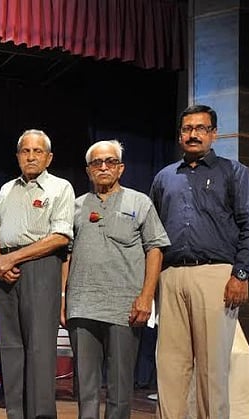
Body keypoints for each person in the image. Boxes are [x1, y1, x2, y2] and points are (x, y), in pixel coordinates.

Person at [150, 105, 249, 418]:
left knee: (211, 372)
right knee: (170, 369)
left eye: (201, 128)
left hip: (217, 276)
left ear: (213, 133)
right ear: (179, 135)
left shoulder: (234, 173)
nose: (193, 134)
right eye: (187, 128)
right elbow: (154, 237)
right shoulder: (164, 178)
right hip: (171, 277)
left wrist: (241, 274)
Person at [61, 140, 169, 419]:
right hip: (81, 305)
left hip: (125, 307)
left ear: (120, 168)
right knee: (85, 386)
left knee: (121, 387)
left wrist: (147, 297)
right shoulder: (75, 206)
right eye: (97, 163)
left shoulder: (140, 202)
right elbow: (66, 255)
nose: (104, 167)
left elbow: (154, 249)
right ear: (88, 170)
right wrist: (63, 299)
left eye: (110, 162)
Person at [0, 129, 75, 419]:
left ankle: (40, 416)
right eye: (25, 151)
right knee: (11, 348)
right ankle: (15, 414)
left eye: (37, 151)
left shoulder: (60, 187)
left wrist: (12, 257)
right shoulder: (6, 189)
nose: (30, 156)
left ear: (49, 157)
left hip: (42, 267)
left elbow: (61, 236)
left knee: (40, 350)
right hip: (6, 272)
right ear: (17, 157)